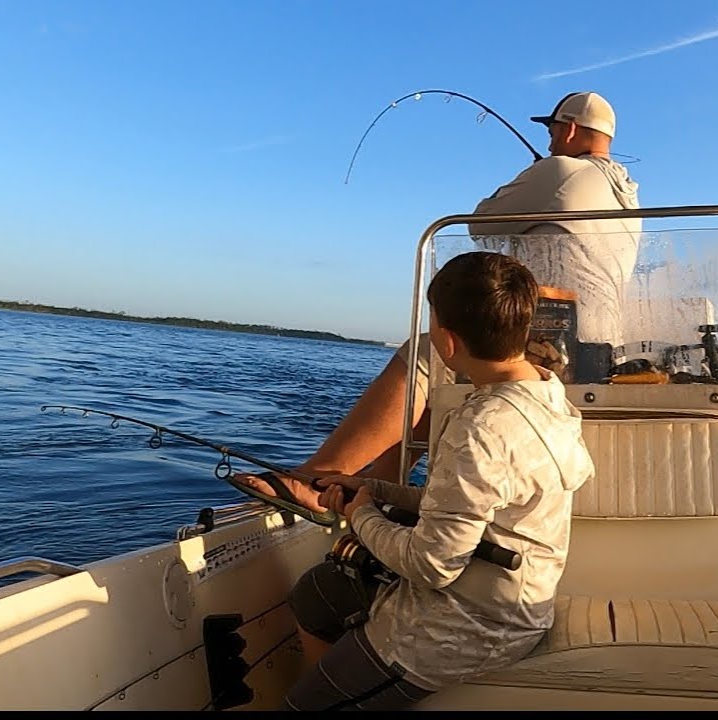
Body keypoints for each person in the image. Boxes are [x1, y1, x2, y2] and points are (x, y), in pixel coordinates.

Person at [236, 91, 640, 505]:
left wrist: (535, 175)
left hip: (552, 343)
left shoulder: (559, 170)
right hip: (598, 351)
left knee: (427, 355)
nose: (550, 140)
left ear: (569, 129)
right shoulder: (627, 197)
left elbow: (480, 224)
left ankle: (316, 478)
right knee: (445, 376)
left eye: (552, 130)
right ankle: (373, 489)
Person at [274, 251, 595, 710]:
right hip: (511, 602)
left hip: (463, 629)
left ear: (445, 341)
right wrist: (374, 490)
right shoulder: (548, 395)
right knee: (315, 596)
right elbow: (466, 504)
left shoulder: (482, 426)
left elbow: (431, 565)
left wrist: (361, 515)